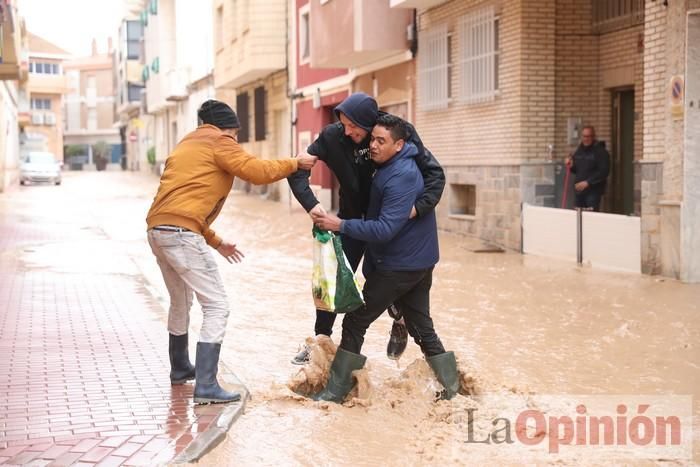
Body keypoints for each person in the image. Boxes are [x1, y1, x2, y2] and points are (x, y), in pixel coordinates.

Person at [146, 99, 317, 404]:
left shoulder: (186, 145)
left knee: (180, 301)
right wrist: (294, 163)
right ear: (227, 128)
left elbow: (180, 205)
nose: (235, 141)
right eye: (235, 134)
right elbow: (256, 171)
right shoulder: (219, 140)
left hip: (158, 231)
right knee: (217, 306)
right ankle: (207, 386)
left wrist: (215, 241)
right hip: (181, 235)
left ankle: (181, 367)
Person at [311, 114, 460, 403]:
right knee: (421, 326)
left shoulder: (400, 175)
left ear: (400, 145)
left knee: (355, 321)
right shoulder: (390, 165)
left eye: (382, 141)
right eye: (373, 139)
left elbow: (384, 229)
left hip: (399, 265)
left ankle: (335, 392)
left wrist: (339, 225)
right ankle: (453, 391)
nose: (374, 146)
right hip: (417, 260)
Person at [288, 92, 445, 365]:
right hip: (351, 221)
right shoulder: (332, 137)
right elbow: (297, 169)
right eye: (343, 125)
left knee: (387, 281)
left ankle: (399, 321)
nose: (348, 132)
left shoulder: (393, 132)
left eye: (354, 127)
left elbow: (435, 175)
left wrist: (417, 208)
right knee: (333, 282)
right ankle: (320, 341)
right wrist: (312, 205)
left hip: (389, 224)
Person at [565, 125, 610, 212]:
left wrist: (588, 182)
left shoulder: (601, 152)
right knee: (578, 217)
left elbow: (604, 171)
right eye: (584, 136)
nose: (586, 139)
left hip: (593, 192)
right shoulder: (579, 150)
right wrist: (570, 165)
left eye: (588, 136)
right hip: (579, 192)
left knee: (591, 217)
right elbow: (576, 169)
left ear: (593, 136)